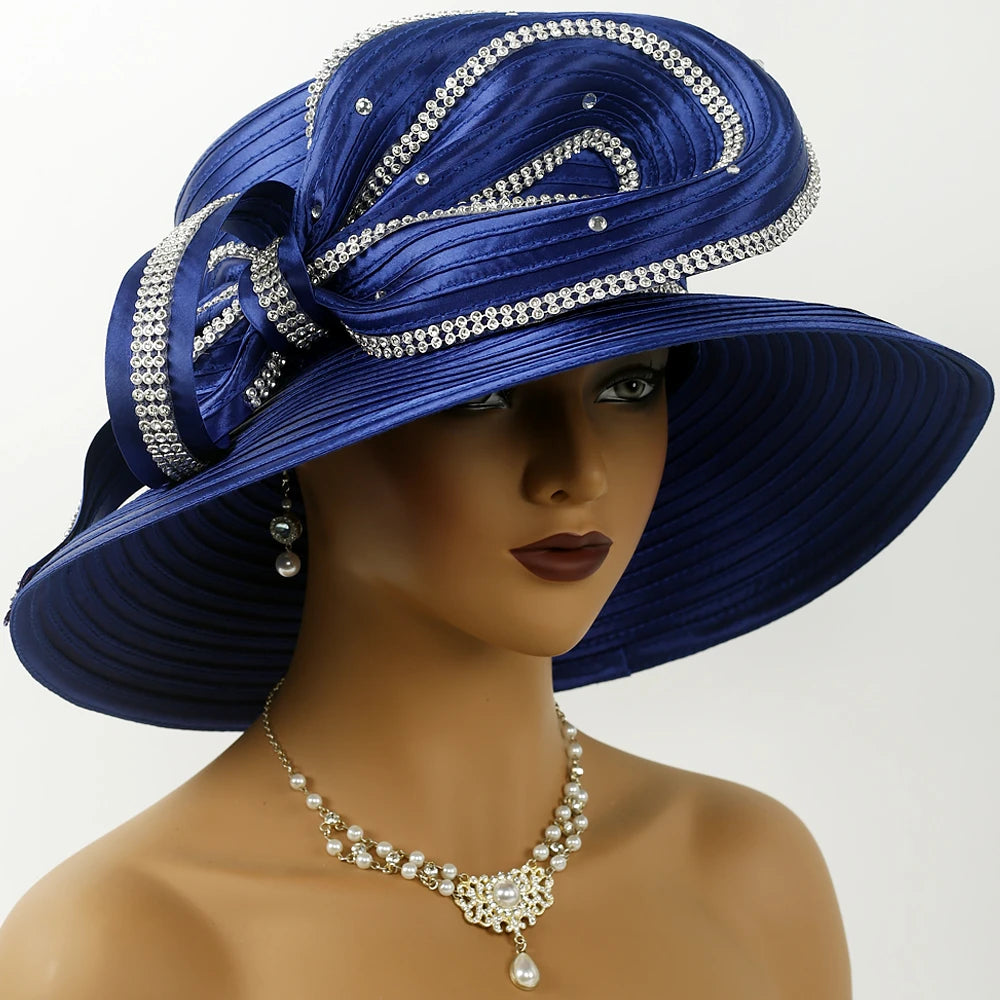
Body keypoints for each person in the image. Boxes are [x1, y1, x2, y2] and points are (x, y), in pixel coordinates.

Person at [0, 10, 992, 998]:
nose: (578, 472)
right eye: (478, 400)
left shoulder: (748, 872)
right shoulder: (124, 947)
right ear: (302, 456)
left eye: (628, 388)